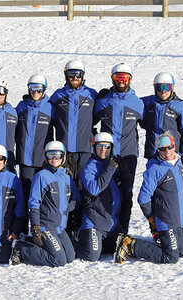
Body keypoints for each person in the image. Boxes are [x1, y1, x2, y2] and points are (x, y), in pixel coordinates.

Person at [114, 132, 183, 264]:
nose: (167, 152)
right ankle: (130, 244)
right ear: (158, 150)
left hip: (178, 218)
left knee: (181, 251)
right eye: (162, 149)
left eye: (169, 147)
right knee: (171, 256)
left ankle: (161, 241)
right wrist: (151, 218)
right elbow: (143, 197)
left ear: (174, 146)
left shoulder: (179, 163)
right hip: (166, 220)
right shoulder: (155, 169)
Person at [10, 141, 81, 267]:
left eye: (58, 155)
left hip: (60, 227)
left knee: (70, 257)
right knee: (59, 260)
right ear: (45, 157)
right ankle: (21, 248)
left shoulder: (67, 177)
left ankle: (30, 242)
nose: (54, 159)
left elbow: (77, 198)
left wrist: (67, 208)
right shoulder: (41, 176)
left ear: (63, 157)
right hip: (46, 226)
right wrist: (36, 227)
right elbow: (33, 203)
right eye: (50, 155)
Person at [93, 63, 144, 234]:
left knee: (126, 194)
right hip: (106, 156)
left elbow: (151, 125)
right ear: (112, 78)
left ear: (130, 79)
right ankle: (107, 230)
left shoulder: (137, 103)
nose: (121, 81)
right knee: (107, 193)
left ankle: (123, 232)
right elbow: (87, 123)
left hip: (128, 156)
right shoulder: (102, 102)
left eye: (125, 78)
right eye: (118, 78)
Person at [76, 132, 124, 261]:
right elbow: (94, 189)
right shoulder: (89, 168)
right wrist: (110, 168)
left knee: (122, 249)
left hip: (111, 223)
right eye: (100, 146)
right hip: (94, 223)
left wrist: (124, 170)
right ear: (94, 148)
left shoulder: (112, 165)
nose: (104, 150)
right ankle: (69, 245)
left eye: (107, 147)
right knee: (92, 256)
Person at [49, 60, 97, 185]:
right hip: (65, 149)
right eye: (71, 74)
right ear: (66, 75)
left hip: (85, 149)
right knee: (65, 185)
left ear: (83, 75)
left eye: (78, 74)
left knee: (84, 184)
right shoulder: (57, 96)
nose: (75, 78)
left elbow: (98, 115)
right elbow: (51, 118)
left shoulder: (92, 95)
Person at [15, 75, 56, 218]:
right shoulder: (21, 106)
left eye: (39, 88)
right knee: (25, 196)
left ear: (44, 89)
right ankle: (23, 231)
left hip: (43, 161)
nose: (35, 92)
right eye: (32, 88)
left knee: (42, 197)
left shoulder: (50, 108)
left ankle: (41, 230)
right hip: (25, 161)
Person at [141, 72, 183, 170]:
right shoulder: (148, 102)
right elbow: (130, 102)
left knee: (171, 183)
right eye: (159, 88)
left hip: (170, 154)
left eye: (167, 87)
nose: (163, 91)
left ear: (172, 88)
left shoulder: (179, 106)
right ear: (155, 88)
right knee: (152, 182)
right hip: (153, 153)